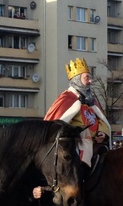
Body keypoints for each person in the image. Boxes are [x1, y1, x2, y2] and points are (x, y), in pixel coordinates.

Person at [45, 57, 110, 196]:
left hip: (95, 145)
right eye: (87, 78)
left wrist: (102, 133)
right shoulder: (67, 98)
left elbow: (103, 120)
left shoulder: (91, 100)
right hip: (75, 147)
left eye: (90, 78)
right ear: (76, 79)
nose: (90, 81)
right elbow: (56, 124)